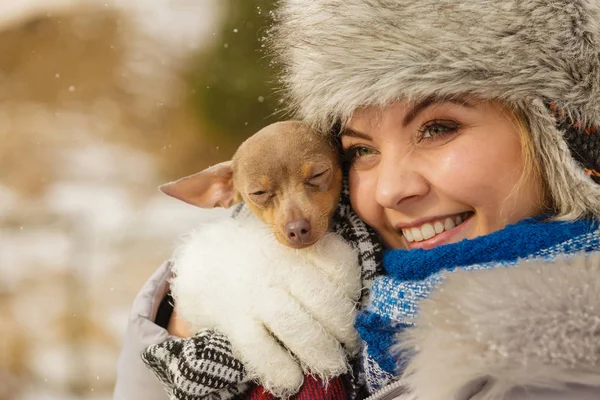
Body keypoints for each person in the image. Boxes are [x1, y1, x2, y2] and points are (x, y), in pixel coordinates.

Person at [114, 0, 600, 399]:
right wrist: (185, 322)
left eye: (438, 128)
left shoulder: (568, 371)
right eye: (362, 150)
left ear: (565, 134)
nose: (390, 189)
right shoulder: (363, 321)